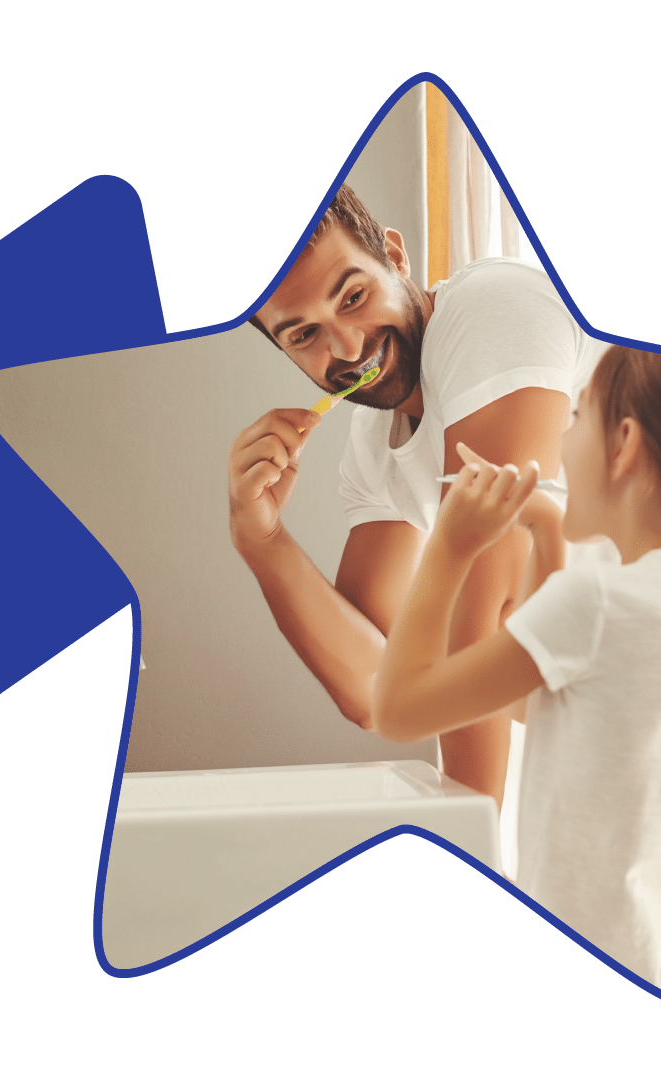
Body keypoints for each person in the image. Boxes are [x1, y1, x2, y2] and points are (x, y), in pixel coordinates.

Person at [371, 347, 661, 997]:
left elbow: (396, 710)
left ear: (624, 444)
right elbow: (543, 698)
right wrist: (542, 530)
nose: (560, 439)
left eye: (576, 414)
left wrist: (450, 547)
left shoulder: (598, 600)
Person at [229, 183, 604, 805]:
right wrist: (260, 537)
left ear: (396, 258)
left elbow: (487, 624)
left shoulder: (490, 311)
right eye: (303, 335)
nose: (347, 349)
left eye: (353, 296)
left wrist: (468, 864)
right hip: (619, 740)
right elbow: (378, 690)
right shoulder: (375, 440)